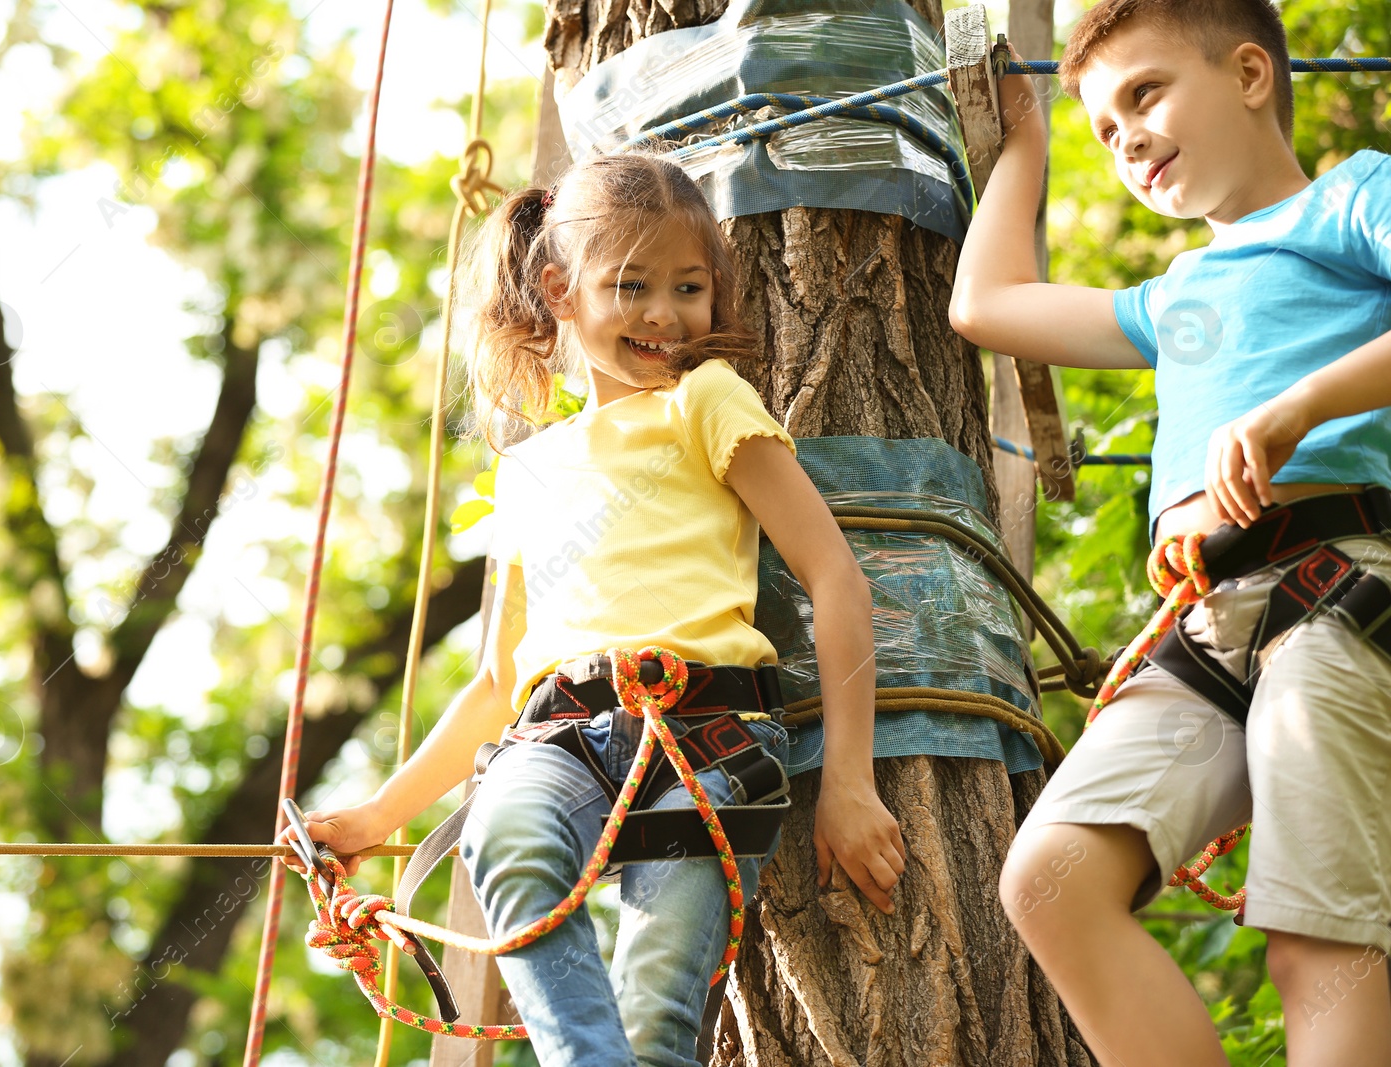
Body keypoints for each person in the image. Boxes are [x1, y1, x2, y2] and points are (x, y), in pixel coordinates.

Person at [281, 151, 906, 1067]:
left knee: (659, 1022)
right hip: (560, 734)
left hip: (708, 731)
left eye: (688, 287)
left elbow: (834, 575)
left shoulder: (704, 400)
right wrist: (378, 815)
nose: (664, 313)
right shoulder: (528, 469)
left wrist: (849, 781)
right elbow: (499, 678)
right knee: (507, 837)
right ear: (559, 291)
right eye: (631, 285)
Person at [949, 1, 1391, 1064]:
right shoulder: (1179, 299)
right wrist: (1026, 139)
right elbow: (987, 302)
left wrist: (1302, 406)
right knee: (1049, 880)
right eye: (1106, 127)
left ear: (1248, 74)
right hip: (1203, 629)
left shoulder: (1350, 199)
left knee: (1315, 940)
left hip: (1336, 592)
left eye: (1145, 94)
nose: (1127, 136)